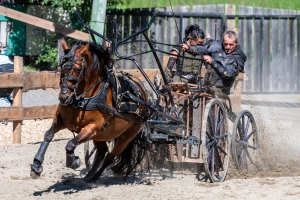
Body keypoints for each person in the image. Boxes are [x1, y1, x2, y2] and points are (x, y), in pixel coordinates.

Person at [202, 30, 247, 98]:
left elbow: (227, 74)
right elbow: (203, 49)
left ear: (236, 43)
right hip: (206, 85)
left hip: (221, 89)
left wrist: (212, 61)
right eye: (225, 44)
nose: (227, 47)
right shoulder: (218, 45)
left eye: (231, 45)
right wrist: (190, 48)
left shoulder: (238, 57)